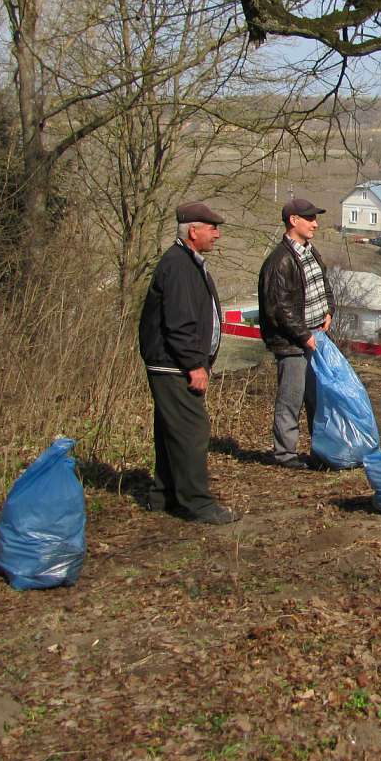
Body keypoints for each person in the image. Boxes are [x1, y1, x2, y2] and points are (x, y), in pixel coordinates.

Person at [138, 201, 236, 524]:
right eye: (212, 228)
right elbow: (179, 323)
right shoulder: (179, 266)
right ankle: (197, 503)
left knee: (172, 428)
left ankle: (163, 495)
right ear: (193, 231)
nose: (217, 235)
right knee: (193, 429)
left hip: (173, 362)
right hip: (173, 365)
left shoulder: (185, 262)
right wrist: (194, 364)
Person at [258, 197, 335, 469]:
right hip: (292, 343)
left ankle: (321, 451)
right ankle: (285, 455)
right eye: (309, 218)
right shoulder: (279, 261)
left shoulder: (311, 252)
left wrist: (329, 311)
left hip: (315, 337)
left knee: (317, 398)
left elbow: (324, 286)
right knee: (291, 398)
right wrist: (304, 336)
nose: (315, 224)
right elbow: (279, 309)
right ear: (293, 220)